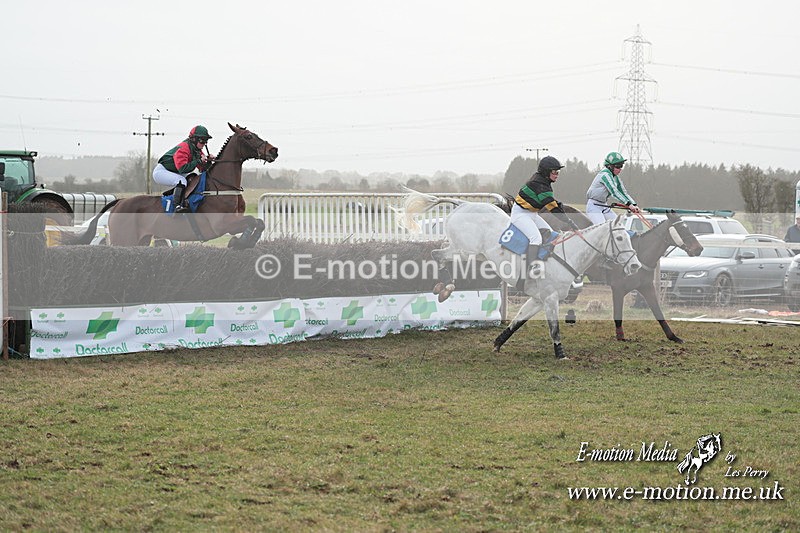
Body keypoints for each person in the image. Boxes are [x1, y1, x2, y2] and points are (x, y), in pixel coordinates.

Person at [512, 155, 578, 268]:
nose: (557, 175)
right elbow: (553, 208)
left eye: (558, 172)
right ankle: (530, 268)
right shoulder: (540, 184)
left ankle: (543, 260)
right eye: (554, 172)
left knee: (551, 234)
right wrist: (570, 222)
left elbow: (552, 202)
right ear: (546, 172)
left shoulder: (543, 181)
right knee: (536, 238)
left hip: (531, 214)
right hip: (520, 214)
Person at [152, 125, 215, 213]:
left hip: (175, 172)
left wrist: (208, 161)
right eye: (202, 140)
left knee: (192, 179)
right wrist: (198, 160)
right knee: (182, 181)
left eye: (206, 141)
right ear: (194, 139)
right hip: (162, 171)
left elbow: (203, 170)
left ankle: (180, 200)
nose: (204, 143)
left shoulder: (197, 151)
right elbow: (183, 168)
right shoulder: (184, 148)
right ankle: (177, 206)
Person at [585, 151, 641, 225]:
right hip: (594, 207)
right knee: (603, 228)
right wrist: (629, 205)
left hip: (604, 206)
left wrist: (634, 204)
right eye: (618, 166)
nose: (620, 169)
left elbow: (624, 193)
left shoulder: (616, 178)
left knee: (619, 226)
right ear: (610, 166)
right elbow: (614, 192)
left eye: (621, 166)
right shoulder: (605, 175)